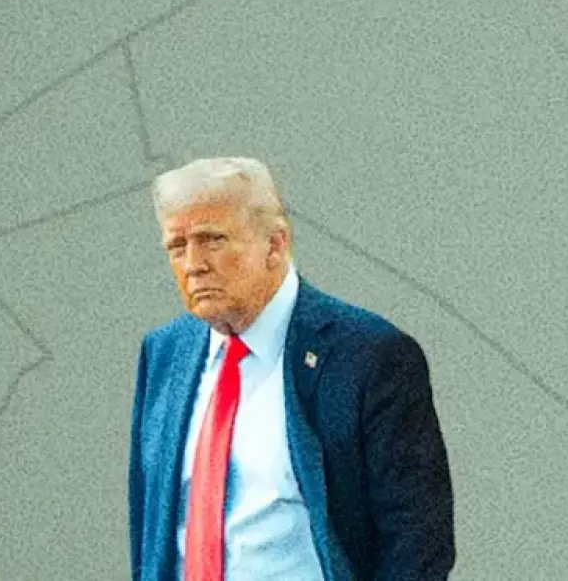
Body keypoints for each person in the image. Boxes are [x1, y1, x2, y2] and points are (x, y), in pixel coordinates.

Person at [128, 156, 455, 581]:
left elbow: (418, 542)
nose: (193, 264)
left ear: (275, 244)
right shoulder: (164, 353)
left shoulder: (368, 356)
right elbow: (150, 525)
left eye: (212, 240)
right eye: (177, 246)